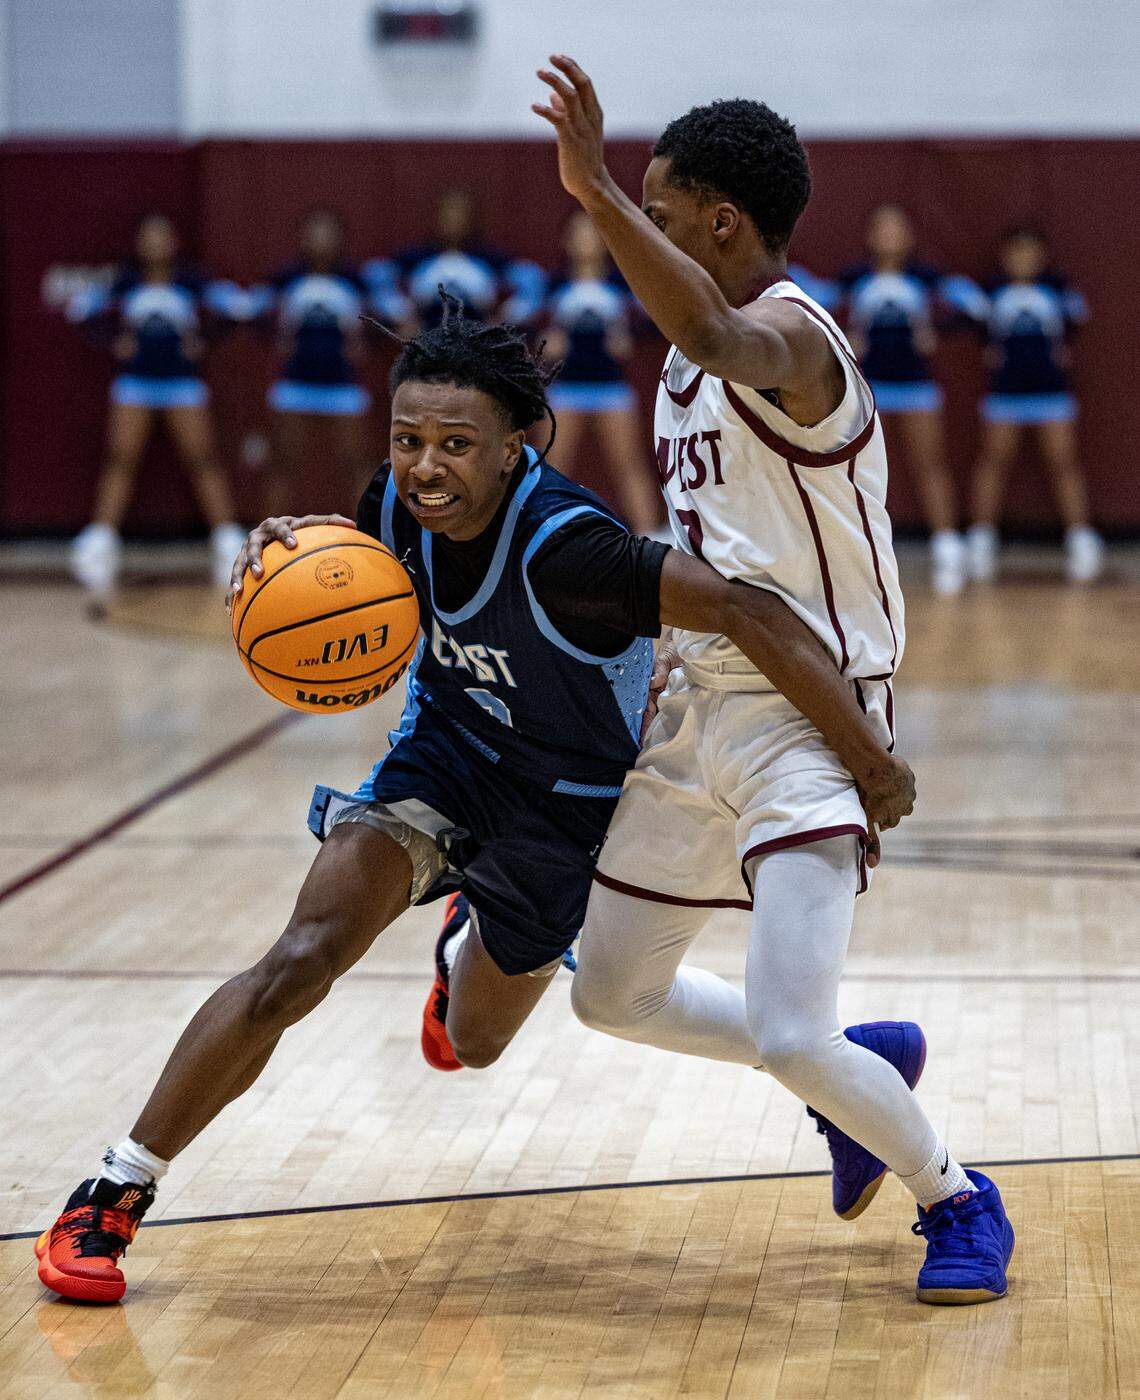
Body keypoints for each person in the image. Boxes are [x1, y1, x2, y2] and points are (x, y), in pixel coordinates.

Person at [34, 294, 916, 1306]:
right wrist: (293, 548)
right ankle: (113, 1188)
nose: (424, 466)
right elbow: (354, 557)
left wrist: (867, 751)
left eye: (456, 443)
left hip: (565, 806)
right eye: (408, 438)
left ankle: (490, 941)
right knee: (300, 958)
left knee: (476, 1040)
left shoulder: (570, 548)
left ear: (512, 449)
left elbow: (742, 606)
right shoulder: (391, 506)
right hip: (443, 762)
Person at [532, 54, 1014, 1305]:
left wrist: (591, 190)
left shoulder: (795, 340)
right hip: (699, 705)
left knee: (793, 1029)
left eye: (658, 204)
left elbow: (710, 324)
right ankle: (864, 1072)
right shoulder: (686, 370)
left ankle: (958, 1193)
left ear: (719, 221)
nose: (639, 218)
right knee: (609, 993)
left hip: (814, 711)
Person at [65, 213, 247, 596]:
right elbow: (81, 311)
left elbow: (237, 309)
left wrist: (204, 340)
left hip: (182, 383)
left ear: (174, 242)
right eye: (148, 237)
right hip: (136, 383)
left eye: (163, 236)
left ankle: (227, 538)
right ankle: (101, 540)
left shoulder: (191, 281)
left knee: (203, 458)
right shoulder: (126, 282)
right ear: (139, 243)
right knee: (121, 457)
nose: (156, 244)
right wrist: (113, 340)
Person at [837, 204, 988, 594]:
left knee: (929, 462)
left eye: (897, 229)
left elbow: (974, 304)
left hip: (915, 384)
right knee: (854, 470)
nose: (889, 236)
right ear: (871, 236)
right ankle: (850, 549)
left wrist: (937, 324)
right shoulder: (856, 278)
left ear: (909, 235)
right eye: (882, 228)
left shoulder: (925, 278)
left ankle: (947, 544)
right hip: (868, 386)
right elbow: (810, 298)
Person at [967, 226, 1102, 583]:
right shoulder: (991, 294)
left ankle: (1080, 537)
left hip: (1051, 393)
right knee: (994, 460)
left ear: (1041, 257)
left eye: (1030, 252)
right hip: (1005, 394)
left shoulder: (1057, 292)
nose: (1022, 260)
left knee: (1063, 462)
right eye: (1015, 253)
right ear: (1004, 256)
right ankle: (981, 537)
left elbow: (1076, 321)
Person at [251, 209, 380, 516]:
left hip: (343, 385)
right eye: (314, 232)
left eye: (328, 232)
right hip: (295, 384)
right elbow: (251, 312)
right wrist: (277, 337)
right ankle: (269, 534)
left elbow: (386, 317)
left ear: (340, 238)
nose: (321, 240)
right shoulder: (285, 279)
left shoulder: (356, 281)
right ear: (303, 238)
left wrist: (364, 343)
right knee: (283, 461)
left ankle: (369, 536)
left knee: (357, 461)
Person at [540, 210, 661, 535]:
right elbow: (536, 333)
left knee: (629, 464)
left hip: (611, 388)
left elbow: (642, 328)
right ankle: (536, 533)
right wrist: (550, 343)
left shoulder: (621, 285)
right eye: (578, 233)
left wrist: (625, 339)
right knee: (550, 468)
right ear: (567, 239)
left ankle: (649, 538)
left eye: (592, 232)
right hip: (565, 388)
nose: (585, 240)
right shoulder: (554, 284)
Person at [364, 187, 546, 335]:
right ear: (437, 217)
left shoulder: (491, 258)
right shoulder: (416, 257)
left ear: (472, 218)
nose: (454, 219)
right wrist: (401, 316)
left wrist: (504, 320)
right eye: (448, 212)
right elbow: (376, 274)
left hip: (476, 339)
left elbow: (532, 279)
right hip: (426, 337)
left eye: (460, 213)